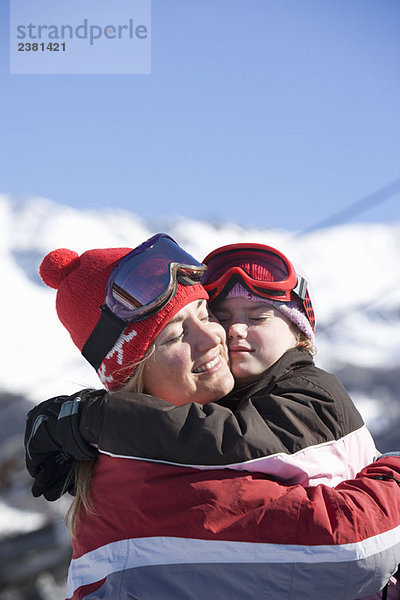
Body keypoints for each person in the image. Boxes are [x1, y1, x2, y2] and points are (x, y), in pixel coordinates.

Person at [25, 234, 400, 599]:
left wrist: (88, 418)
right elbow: (350, 545)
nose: (215, 336)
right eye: (174, 337)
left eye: (205, 314)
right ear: (131, 374)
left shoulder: (161, 446)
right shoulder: (155, 479)